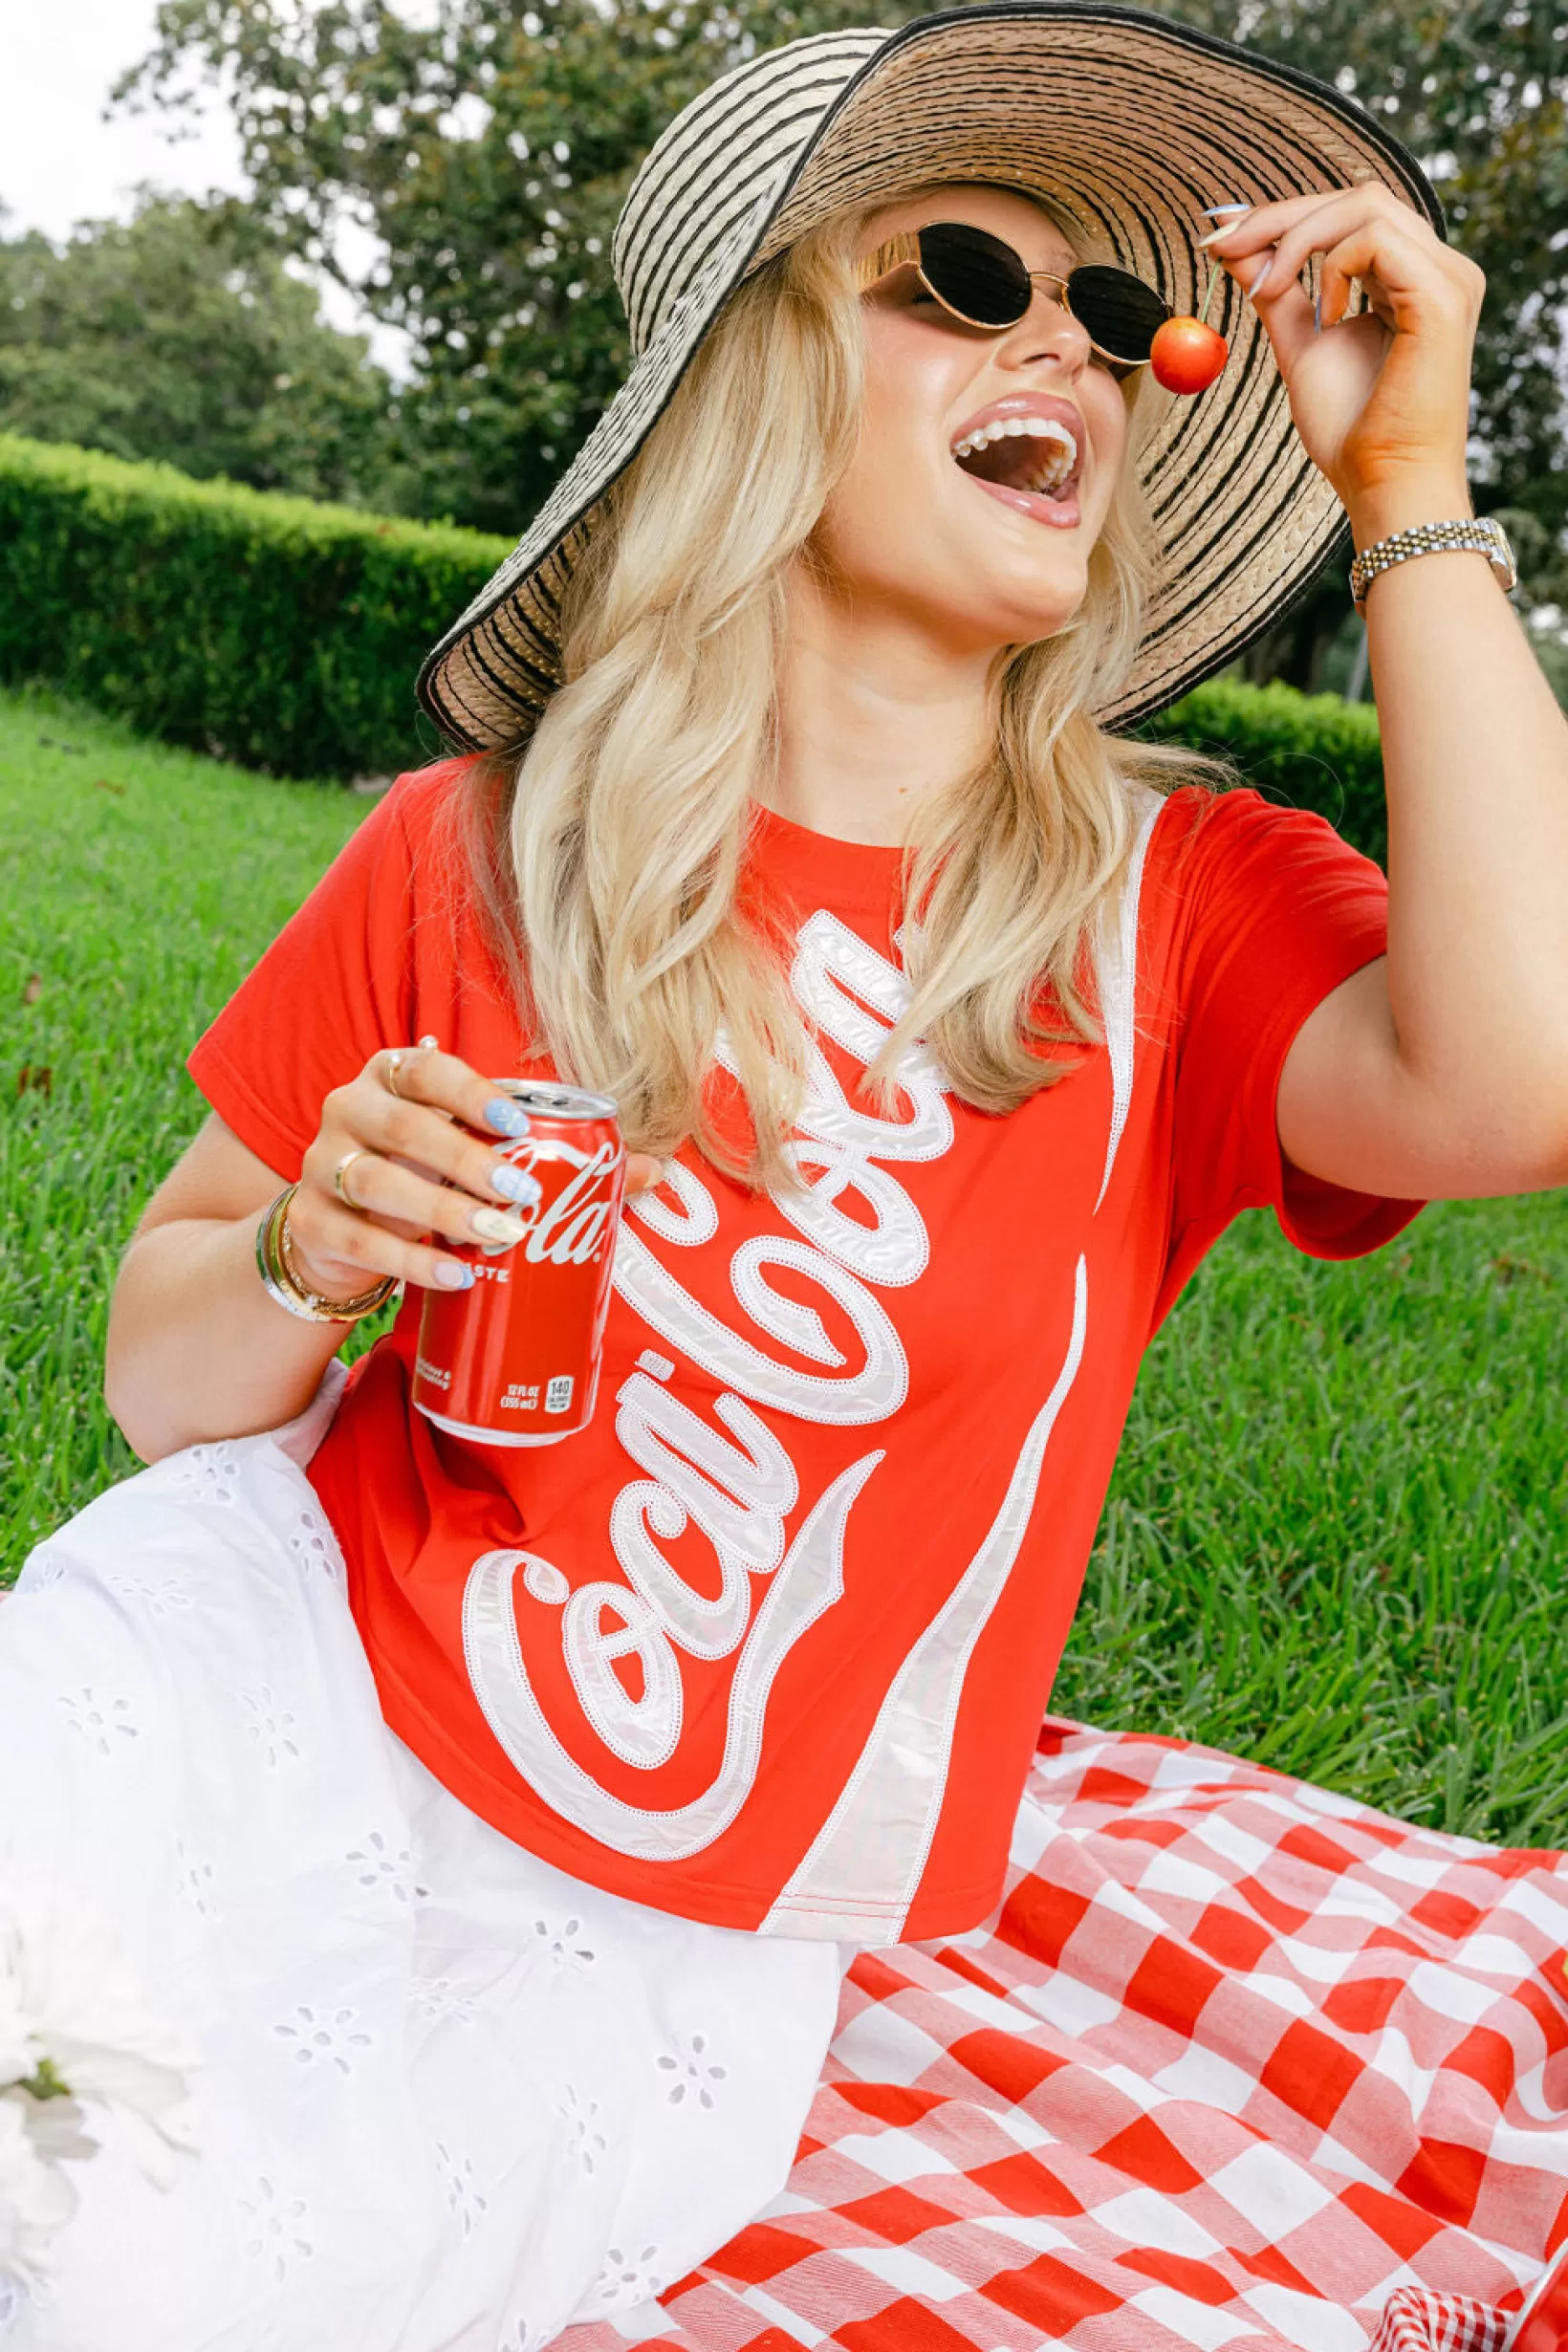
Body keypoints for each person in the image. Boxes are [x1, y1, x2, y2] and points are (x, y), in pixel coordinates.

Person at [3, 6, 1566, 2348]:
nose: (1079, 344)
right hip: (283, 1674)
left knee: (172, 2275)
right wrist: (313, 1248)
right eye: (962, 274)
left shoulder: (1173, 910)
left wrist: (1409, 484)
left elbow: (1511, 1085)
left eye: (1113, 320)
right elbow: (163, 1368)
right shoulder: (481, 848)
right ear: (753, 376)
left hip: (679, 1933)